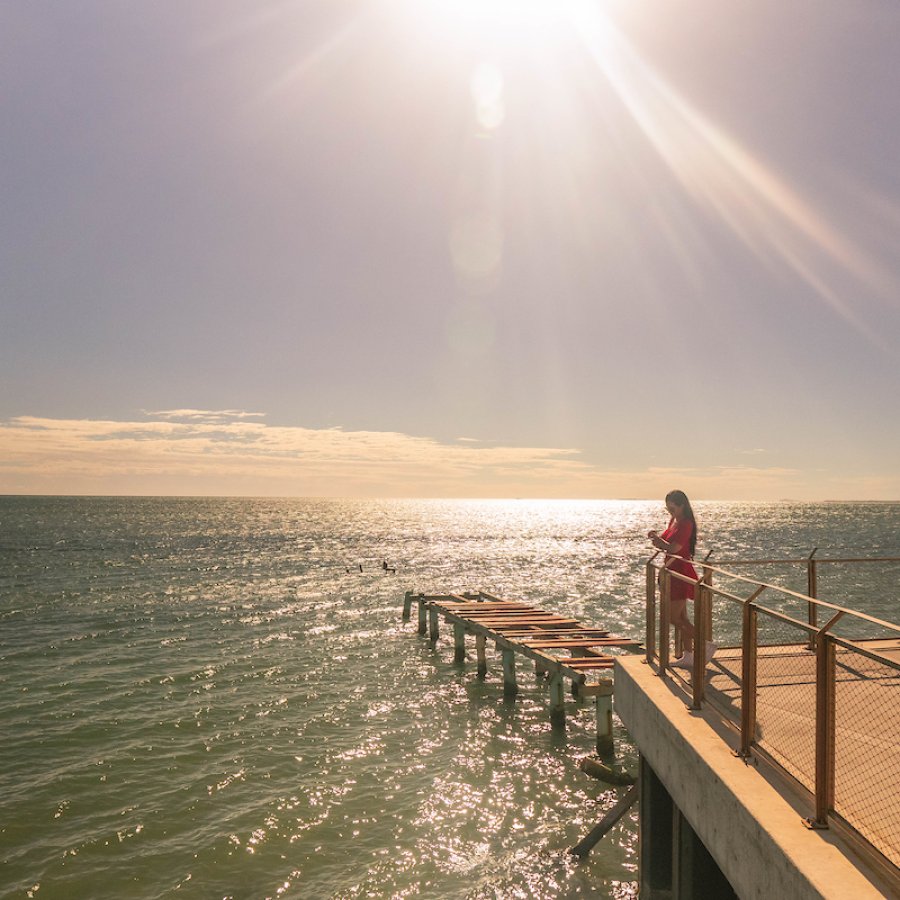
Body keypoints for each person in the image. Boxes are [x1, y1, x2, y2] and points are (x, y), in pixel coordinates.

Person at [648, 490, 713, 669]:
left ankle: (704, 643)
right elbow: (666, 543)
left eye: (672, 508)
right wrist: (657, 539)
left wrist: (659, 541)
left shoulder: (686, 524)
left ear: (682, 505)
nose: (670, 511)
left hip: (680, 573)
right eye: (668, 508)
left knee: (672, 617)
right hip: (671, 571)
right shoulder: (674, 521)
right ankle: (689, 654)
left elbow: (675, 548)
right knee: (682, 617)